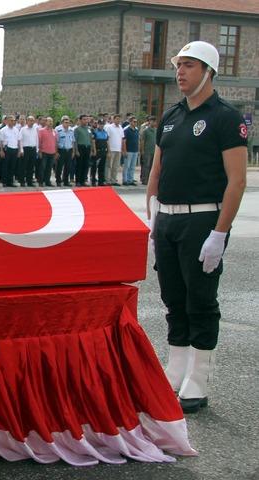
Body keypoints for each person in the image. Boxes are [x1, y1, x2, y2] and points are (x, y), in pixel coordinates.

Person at [147, 41, 247, 415]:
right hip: (169, 217)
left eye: (188, 65)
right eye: (178, 65)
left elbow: (236, 181)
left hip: (204, 218)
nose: (180, 72)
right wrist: (153, 217)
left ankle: (199, 377)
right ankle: (175, 368)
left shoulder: (224, 117)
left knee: (200, 299)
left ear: (208, 70)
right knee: (173, 298)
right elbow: (157, 169)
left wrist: (220, 233)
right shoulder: (170, 115)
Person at [54, 116, 75, 187]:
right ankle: (58, 181)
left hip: (69, 150)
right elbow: (55, 142)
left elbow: (73, 141)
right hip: (61, 150)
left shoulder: (71, 130)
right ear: (62, 122)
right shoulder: (57, 129)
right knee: (59, 167)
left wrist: (73, 152)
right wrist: (56, 152)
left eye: (68, 122)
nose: (67, 124)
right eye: (66, 122)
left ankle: (66, 181)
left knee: (68, 167)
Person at [37, 117, 57, 187]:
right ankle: (41, 182)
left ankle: (47, 181)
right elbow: (39, 142)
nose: (51, 123)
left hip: (52, 152)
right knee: (42, 168)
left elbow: (55, 143)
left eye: (52, 121)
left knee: (49, 168)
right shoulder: (41, 130)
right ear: (46, 122)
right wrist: (39, 151)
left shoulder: (54, 131)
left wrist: (56, 152)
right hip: (44, 152)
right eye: (49, 121)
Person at [104, 114, 124, 185]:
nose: (118, 120)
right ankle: (107, 180)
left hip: (118, 149)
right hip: (111, 149)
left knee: (116, 166)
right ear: (113, 119)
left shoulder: (121, 128)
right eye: (117, 119)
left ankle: (113, 180)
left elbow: (121, 139)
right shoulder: (109, 127)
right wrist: (108, 150)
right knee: (109, 165)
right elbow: (107, 139)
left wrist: (121, 149)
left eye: (119, 119)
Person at [19, 115, 38, 187]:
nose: (32, 122)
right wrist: (21, 149)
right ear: (27, 121)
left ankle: (29, 181)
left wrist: (37, 149)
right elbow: (20, 140)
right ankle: (22, 181)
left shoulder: (35, 129)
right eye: (30, 120)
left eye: (33, 120)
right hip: (25, 149)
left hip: (33, 149)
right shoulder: (23, 129)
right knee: (23, 166)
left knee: (31, 166)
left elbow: (37, 140)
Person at [139, 116, 157, 185]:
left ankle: (150, 180)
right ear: (149, 122)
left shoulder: (156, 130)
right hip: (147, 151)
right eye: (152, 121)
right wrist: (142, 150)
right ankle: (144, 180)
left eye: (154, 121)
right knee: (146, 166)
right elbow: (142, 141)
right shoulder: (145, 131)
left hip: (154, 151)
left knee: (152, 167)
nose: (154, 122)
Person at [122, 117, 140, 186]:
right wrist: (125, 151)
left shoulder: (136, 130)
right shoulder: (126, 130)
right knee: (127, 166)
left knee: (132, 167)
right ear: (130, 122)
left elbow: (138, 140)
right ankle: (125, 180)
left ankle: (130, 180)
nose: (135, 123)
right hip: (128, 150)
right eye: (134, 121)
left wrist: (138, 150)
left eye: (136, 122)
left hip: (135, 150)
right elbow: (124, 141)